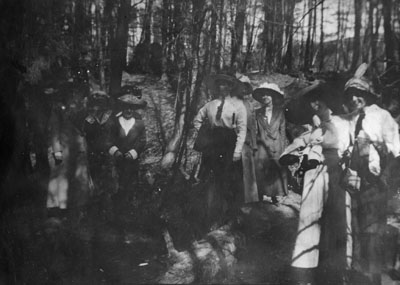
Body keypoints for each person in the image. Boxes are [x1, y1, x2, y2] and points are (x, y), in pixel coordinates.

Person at [281, 82, 352, 285]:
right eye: (312, 103)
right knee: (310, 217)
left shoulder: (340, 122)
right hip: (315, 173)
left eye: (319, 102)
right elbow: (302, 142)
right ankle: (305, 271)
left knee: (336, 219)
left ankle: (335, 270)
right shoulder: (311, 126)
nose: (316, 105)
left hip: (336, 172)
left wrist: (321, 133)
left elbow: (339, 142)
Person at [342, 63, 400, 285]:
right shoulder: (350, 119)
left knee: (373, 229)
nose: (356, 100)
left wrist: (385, 177)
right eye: (352, 96)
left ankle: (375, 276)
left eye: (360, 95)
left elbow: (396, 149)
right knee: (355, 227)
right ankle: (359, 274)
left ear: (367, 95)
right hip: (354, 181)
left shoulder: (382, 116)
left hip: (376, 181)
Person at [193, 74, 247, 228]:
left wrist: (237, 151)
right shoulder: (210, 105)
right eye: (220, 85)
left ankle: (229, 215)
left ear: (231, 87)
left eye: (226, 84)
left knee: (228, 179)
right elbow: (197, 120)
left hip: (229, 143)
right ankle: (210, 214)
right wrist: (204, 133)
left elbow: (242, 130)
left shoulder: (238, 106)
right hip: (212, 144)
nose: (222, 87)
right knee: (210, 178)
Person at [47, 83, 91, 225]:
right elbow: (54, 130)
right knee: (61, 179)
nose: (74, 95)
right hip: (64, 148)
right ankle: (58, 210)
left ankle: (79, 210)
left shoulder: (84, 108)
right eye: (71, 92)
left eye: (77, 92)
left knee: (80, 179)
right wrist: (57, 150)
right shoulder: (58, 108)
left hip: (79, 149)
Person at [106, 88, 147, 214]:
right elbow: (108, 139)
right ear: (122, 108)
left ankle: (128, 212)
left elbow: (142, 141)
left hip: (131, 162)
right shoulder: (114, 122)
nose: (128, 110)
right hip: (117, 161)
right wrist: (115, 151)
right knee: (116, 186)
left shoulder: (139, 124)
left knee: (130, 186)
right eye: (126, 107)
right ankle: (115, 212)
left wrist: (133, 153)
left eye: (131, 108)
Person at [252, 83, 288, 204]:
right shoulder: (257, 113)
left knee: (276, 168)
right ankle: (261, 193)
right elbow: (254, 130)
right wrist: (254, 146)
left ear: (273, 97)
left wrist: (283, 148)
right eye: (263, 95)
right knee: (260, 168)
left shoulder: (280, 112)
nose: (265, 97)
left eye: (268, 95)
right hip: (261, 144)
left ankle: (276, 195)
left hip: (276, 145)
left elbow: (282, 132)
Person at [82, 90, 115, 220]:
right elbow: (85, 136)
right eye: (96, 103)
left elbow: (116, 135)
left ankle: (108, 213)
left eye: (102, 103)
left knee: (109, 182)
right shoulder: (88, 119)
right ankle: (95, 213)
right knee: (95, 181)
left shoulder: (111, 117)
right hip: (93, 154)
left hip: (109, 154)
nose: (99, 106)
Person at [240, 81, 259, 207]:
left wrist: (254, 143)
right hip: (235, 140)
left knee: (248, 170)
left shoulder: (250, 105)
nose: (243, 93)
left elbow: (253, 126)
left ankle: (250, 198)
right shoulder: (232, 103)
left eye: (245, 91)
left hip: (247, 142)